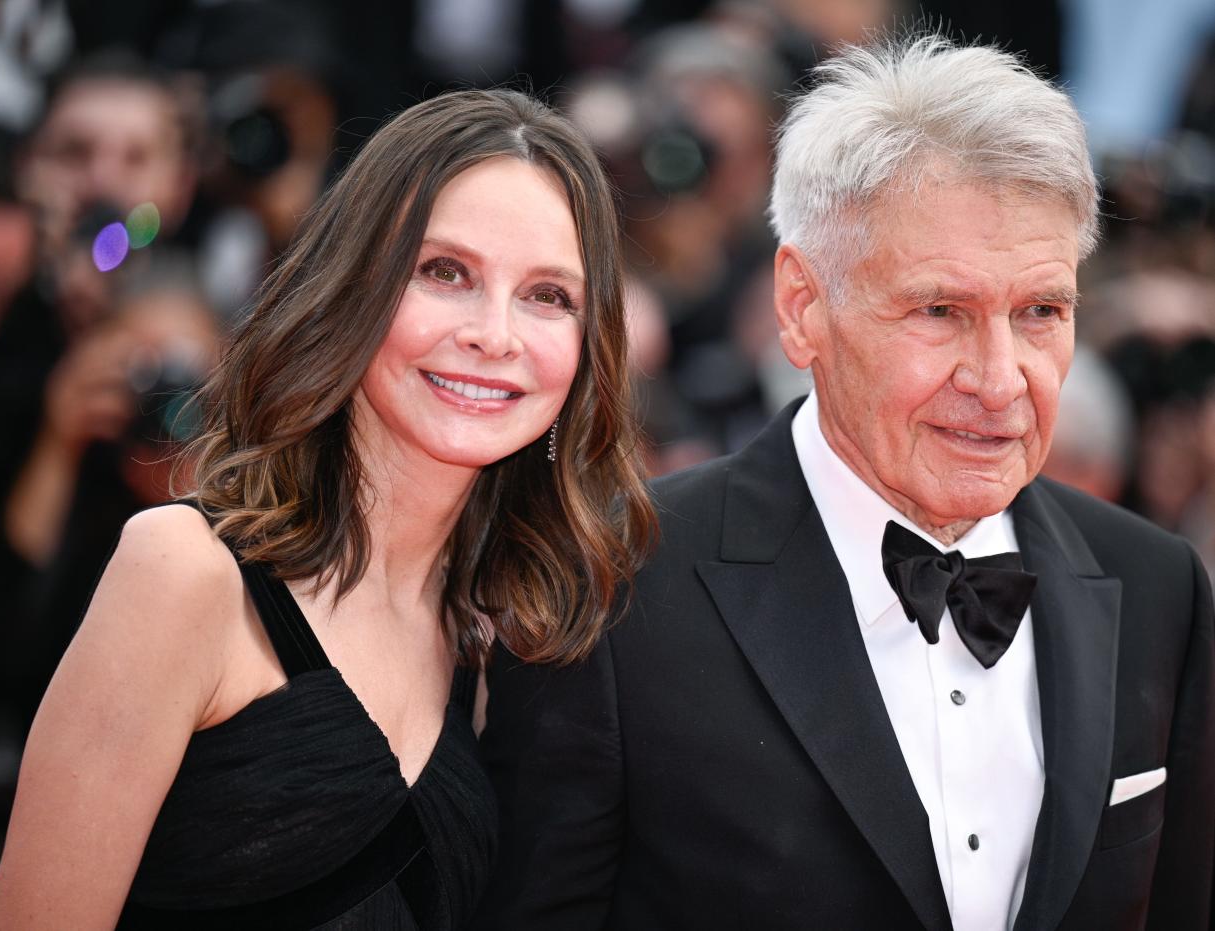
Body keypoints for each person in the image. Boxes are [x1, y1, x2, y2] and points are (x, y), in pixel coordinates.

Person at [476, 35, 1215, 931]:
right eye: (939, 310)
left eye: (1039, 312)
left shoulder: (1156, 586)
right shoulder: (612, 585)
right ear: (802, 308)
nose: (999, 377)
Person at [0, 88, 656, 930]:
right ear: (356, 287)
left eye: (548, 295)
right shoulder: (185, 574)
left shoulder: (494, 639)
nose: (496, 333)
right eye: (444, 272)